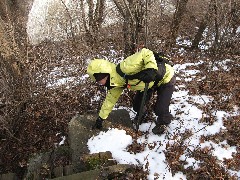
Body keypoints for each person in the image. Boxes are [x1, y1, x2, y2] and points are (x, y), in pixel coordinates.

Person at [87, 48, 175, 135]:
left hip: (165, 77)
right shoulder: (115, 83)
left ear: (104, 75)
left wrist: (151, 68)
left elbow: (145, 52)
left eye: (99, 80)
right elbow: (110, 101)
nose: (99, 83)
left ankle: (163, 123)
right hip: (147, 83)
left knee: (160, 109)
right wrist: (101, 118)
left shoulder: (125, 67)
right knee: (137, 106)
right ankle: (143, 115)